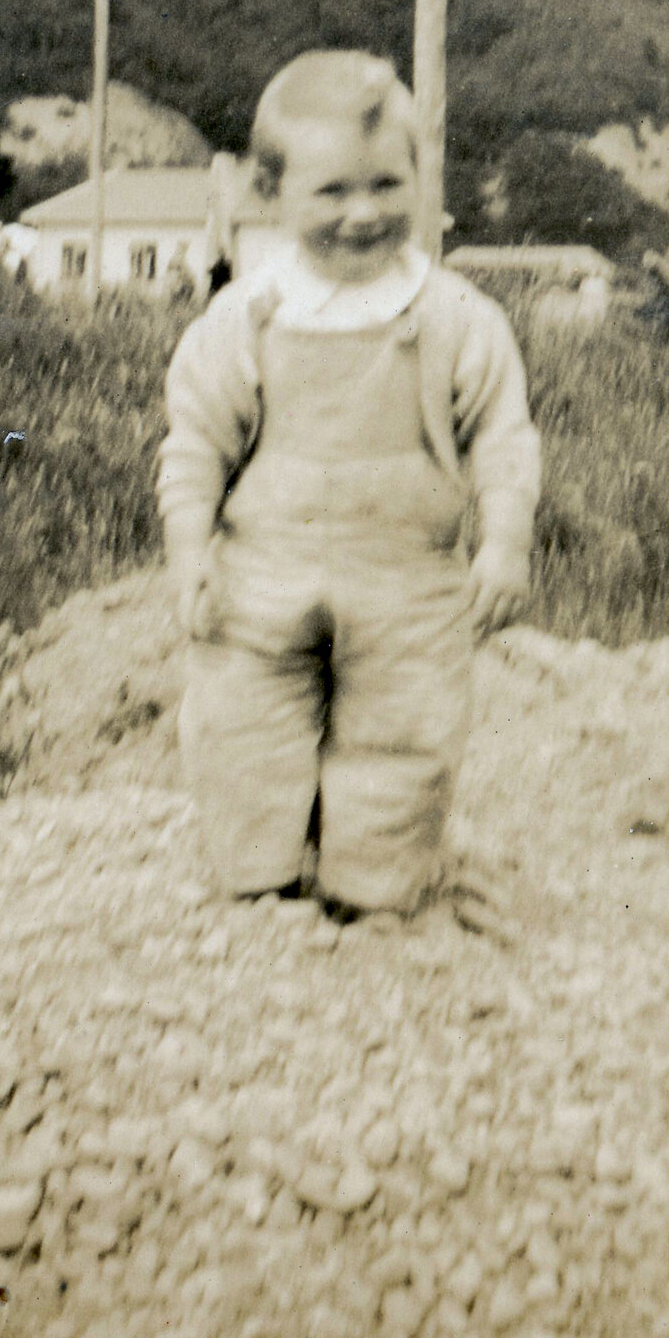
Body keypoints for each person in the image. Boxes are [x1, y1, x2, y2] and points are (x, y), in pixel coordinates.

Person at [158, 51, 540, 919]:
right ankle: (261, 882)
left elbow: (503, 437)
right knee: (243, 723)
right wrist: (190, 555)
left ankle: (370, 891)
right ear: (271, 191)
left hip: (408, 581)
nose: (363, 214)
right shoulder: (246, 320)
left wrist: (505, 540)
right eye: (332, 192)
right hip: (262, 573)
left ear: (418, 176)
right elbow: (195, 445)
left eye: (386, 184)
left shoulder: (456, 319)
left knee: (404, 733)